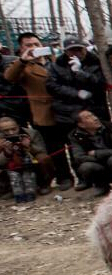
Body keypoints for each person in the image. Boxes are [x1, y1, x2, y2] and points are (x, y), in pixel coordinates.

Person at [4, 32, 73, 190]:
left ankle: (82, 177)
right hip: (44, 112)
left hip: (66, 110)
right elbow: (9, 76)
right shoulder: (23, 67)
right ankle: (63, 178)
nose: (34, 47)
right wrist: (23, 60)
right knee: (54, 148)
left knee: (73, 144)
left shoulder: (55, 61)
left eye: (36, 44)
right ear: (21, 49)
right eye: (28, 45)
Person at [47, 36, 109, 136]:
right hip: (67, 112)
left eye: (79, 49)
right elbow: (52, 86)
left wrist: (80, 72)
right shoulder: (56, 65)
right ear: (66, 52)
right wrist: (77, 93)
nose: (77, 53)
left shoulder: (96, 62)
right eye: (72, 50)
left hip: (94, 109)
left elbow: (100, 83)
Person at [0, 116, 55, 200]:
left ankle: (44, 184)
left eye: (14, 129)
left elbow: (42, 151)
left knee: (44, 158)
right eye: (6, 131)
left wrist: (29, 147)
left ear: (18, 126)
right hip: (10, 166)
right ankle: (8, 189)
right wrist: (7, 152)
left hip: (30, 160)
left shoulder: (32, 133)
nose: (11, 133)